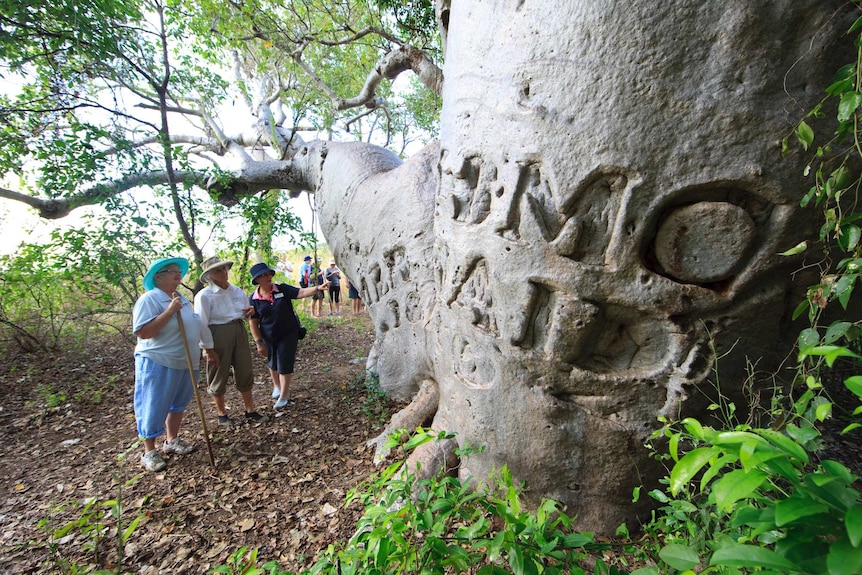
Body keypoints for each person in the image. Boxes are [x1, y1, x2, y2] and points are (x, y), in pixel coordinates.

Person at [132, 257, 200, 472]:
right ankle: (149, 451)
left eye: (178, 270)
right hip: (158, 360)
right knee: (153, 404)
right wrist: (170, 311)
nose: (177, 273)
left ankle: (172, 440)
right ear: (157, 277)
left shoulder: (181, 297)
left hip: (185, 360)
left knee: (178, 403)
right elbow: (144, 332)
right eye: (170, 270)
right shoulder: (150, 299)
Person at [194, 256, 269, 425]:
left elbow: (244, 312)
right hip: (217, 333)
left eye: (224, 269)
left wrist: (248, 312)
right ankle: (222, 414)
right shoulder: (204, 296)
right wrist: (207, 348)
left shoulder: (236, 290)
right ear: (209, 275)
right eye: (218, 270)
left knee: (244, 368)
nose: (223, 272)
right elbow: (201, 323)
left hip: (238, 330)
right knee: (218, 371)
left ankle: (250, 410)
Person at [248, 262, 328, 410]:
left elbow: (300, 293)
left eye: (269, 274)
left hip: (288, 332)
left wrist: (317, 288)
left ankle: (284, 396)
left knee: (284, 362)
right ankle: (277, 386)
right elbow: (253, 322)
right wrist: (259, 342)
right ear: (257, 279)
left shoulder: (282, 289)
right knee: (272, 361)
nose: (268, 277)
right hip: (268, 335)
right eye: (263, 275)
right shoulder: (253, 299)